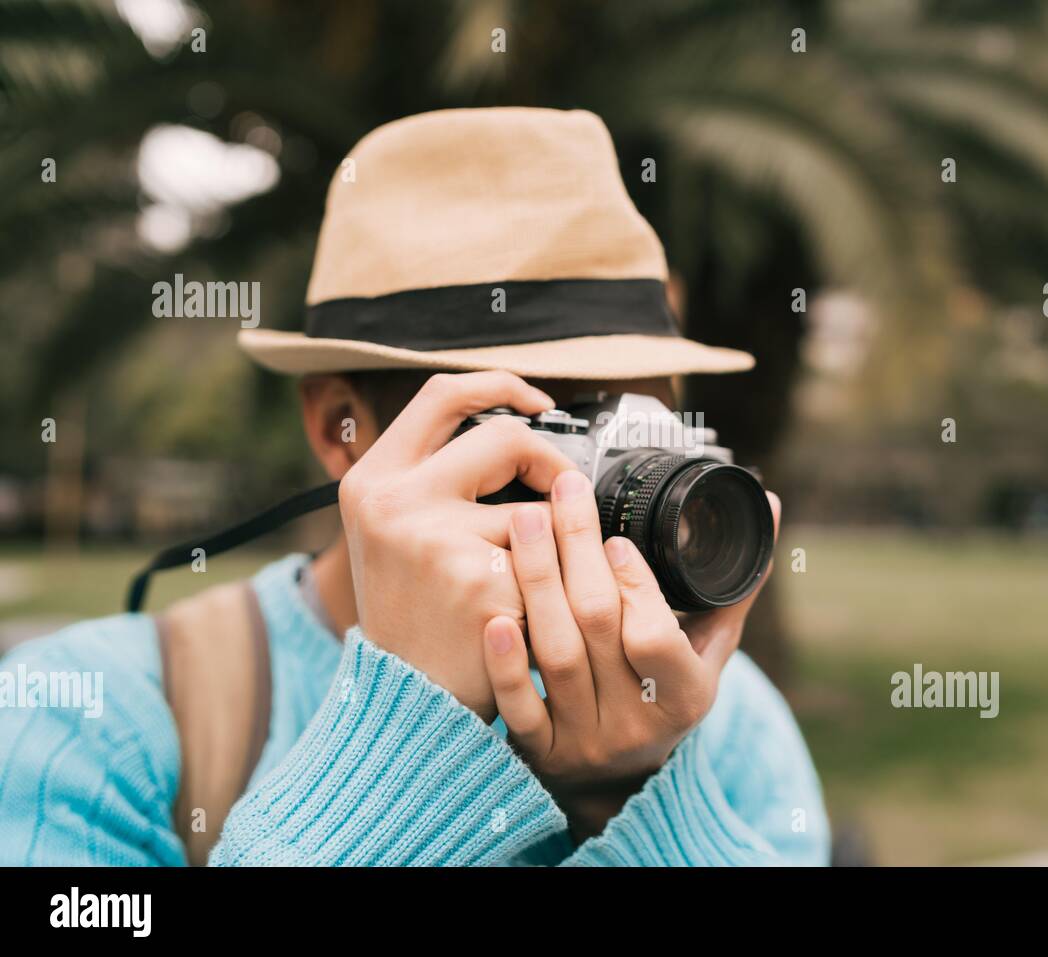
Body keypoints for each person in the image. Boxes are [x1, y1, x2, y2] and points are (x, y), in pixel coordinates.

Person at [0, 107, 829, 866]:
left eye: (639, 440)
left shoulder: (731, 723)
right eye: (550, 438)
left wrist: (633, 797)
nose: (599, 498)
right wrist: (405, 744)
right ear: (340, 426)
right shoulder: (87, 722)